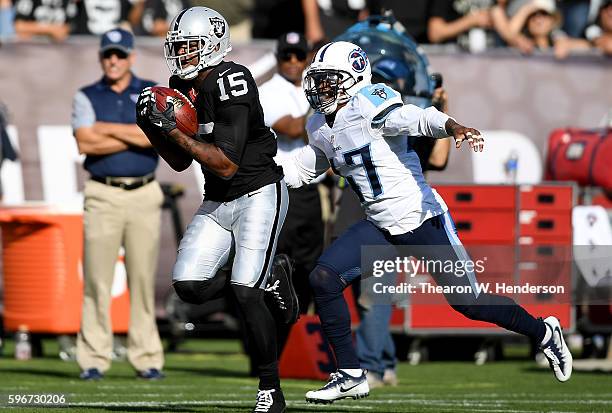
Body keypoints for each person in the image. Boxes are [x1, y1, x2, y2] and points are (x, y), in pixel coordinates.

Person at [280, 40, 573, 404]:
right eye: (318, 80)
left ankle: (544, 332)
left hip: (421, 218)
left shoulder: (370, 102)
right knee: (323, 278)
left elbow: (415, 117)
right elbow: (305, 167)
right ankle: (351, 374)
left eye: (329, 80)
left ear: (354, 77)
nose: (320, 88)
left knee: (469, 301)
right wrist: (261, 172)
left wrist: (452, 125)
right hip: (380, 226)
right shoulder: (319, 124)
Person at [135, 7, 298, 413]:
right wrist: (153, 130)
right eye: (179, 48)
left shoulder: (233, 79)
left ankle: (269, 390)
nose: (182, 55)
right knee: (189, 286)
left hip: (260, 191)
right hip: (220, 198)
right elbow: (178, 162)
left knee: (246, 291)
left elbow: (226, 162)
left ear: (211, 46)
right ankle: (270, 274)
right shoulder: (180, 84)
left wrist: (171, 128)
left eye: (189, 47)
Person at [72, 28, 164, 381]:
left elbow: (155, 136)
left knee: (143, 280)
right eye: (108, 54)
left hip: (144, 192)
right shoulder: (86, 95)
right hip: (103, 193)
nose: (114, 60)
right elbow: (85, 142)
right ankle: (93, 357)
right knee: (97, 280)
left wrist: (105, 129)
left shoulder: (150, 90)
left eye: (120, 54)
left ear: (131, 57)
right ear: (100, 57)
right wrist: (133, 134)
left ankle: (147, 357)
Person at [259, 32, 324, 324]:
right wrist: (322, 100)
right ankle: (273, 344)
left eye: (300, 55)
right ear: (278, 59)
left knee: (311, 267)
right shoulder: (268, 91)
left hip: (310, 191)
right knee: (278, 268)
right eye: (287, 56)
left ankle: (300, 335)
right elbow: (294, 128)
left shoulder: (312, 86)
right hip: (281, 189)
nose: (294, 62)